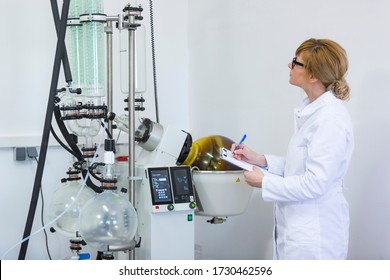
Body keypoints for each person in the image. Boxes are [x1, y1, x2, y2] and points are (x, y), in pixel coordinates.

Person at [231, 38, 354, 260]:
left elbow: (315, 183)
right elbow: (300, 166)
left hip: (316, 237)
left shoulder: (330, 119)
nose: (289, 66)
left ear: (313, 75)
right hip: (299, 230)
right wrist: (260, 160)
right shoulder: (313, 112)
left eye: (295, 62)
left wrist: (264, 181)